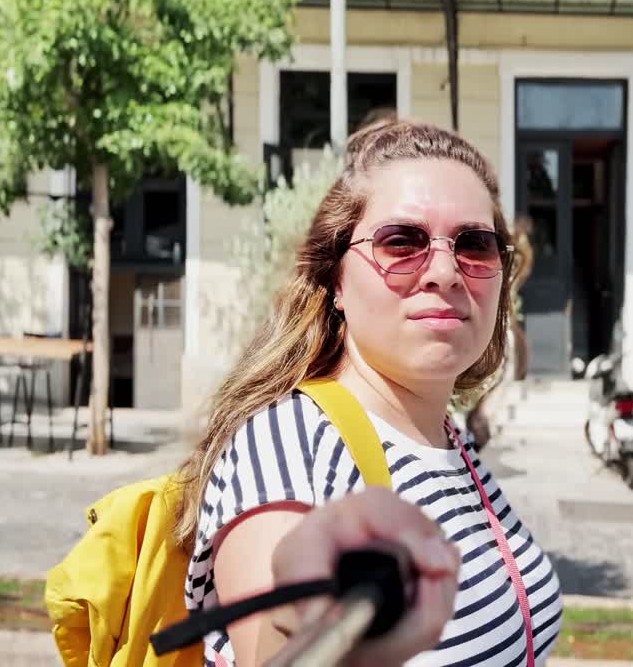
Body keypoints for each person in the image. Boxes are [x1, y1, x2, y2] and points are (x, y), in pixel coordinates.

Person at [173, 120, 564, 666]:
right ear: (336, 279)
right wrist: (306, 607)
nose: (446, 271)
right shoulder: (290, 442)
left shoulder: (446, 436)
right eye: (401, 241)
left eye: (475, 244)